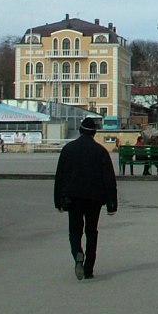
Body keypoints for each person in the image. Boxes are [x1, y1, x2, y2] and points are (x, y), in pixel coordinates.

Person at [53, 117, 118, 281]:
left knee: (74, 231)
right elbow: (109, 179)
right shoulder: (100, 151)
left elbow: (60, 176)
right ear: (94, 133)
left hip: (73, 197)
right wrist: (112, 204)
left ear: (80, 131)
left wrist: (58, 201)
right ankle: (89, 268)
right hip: (95, 198)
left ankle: (77, 254)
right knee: (91, 231)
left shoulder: (68, 149)